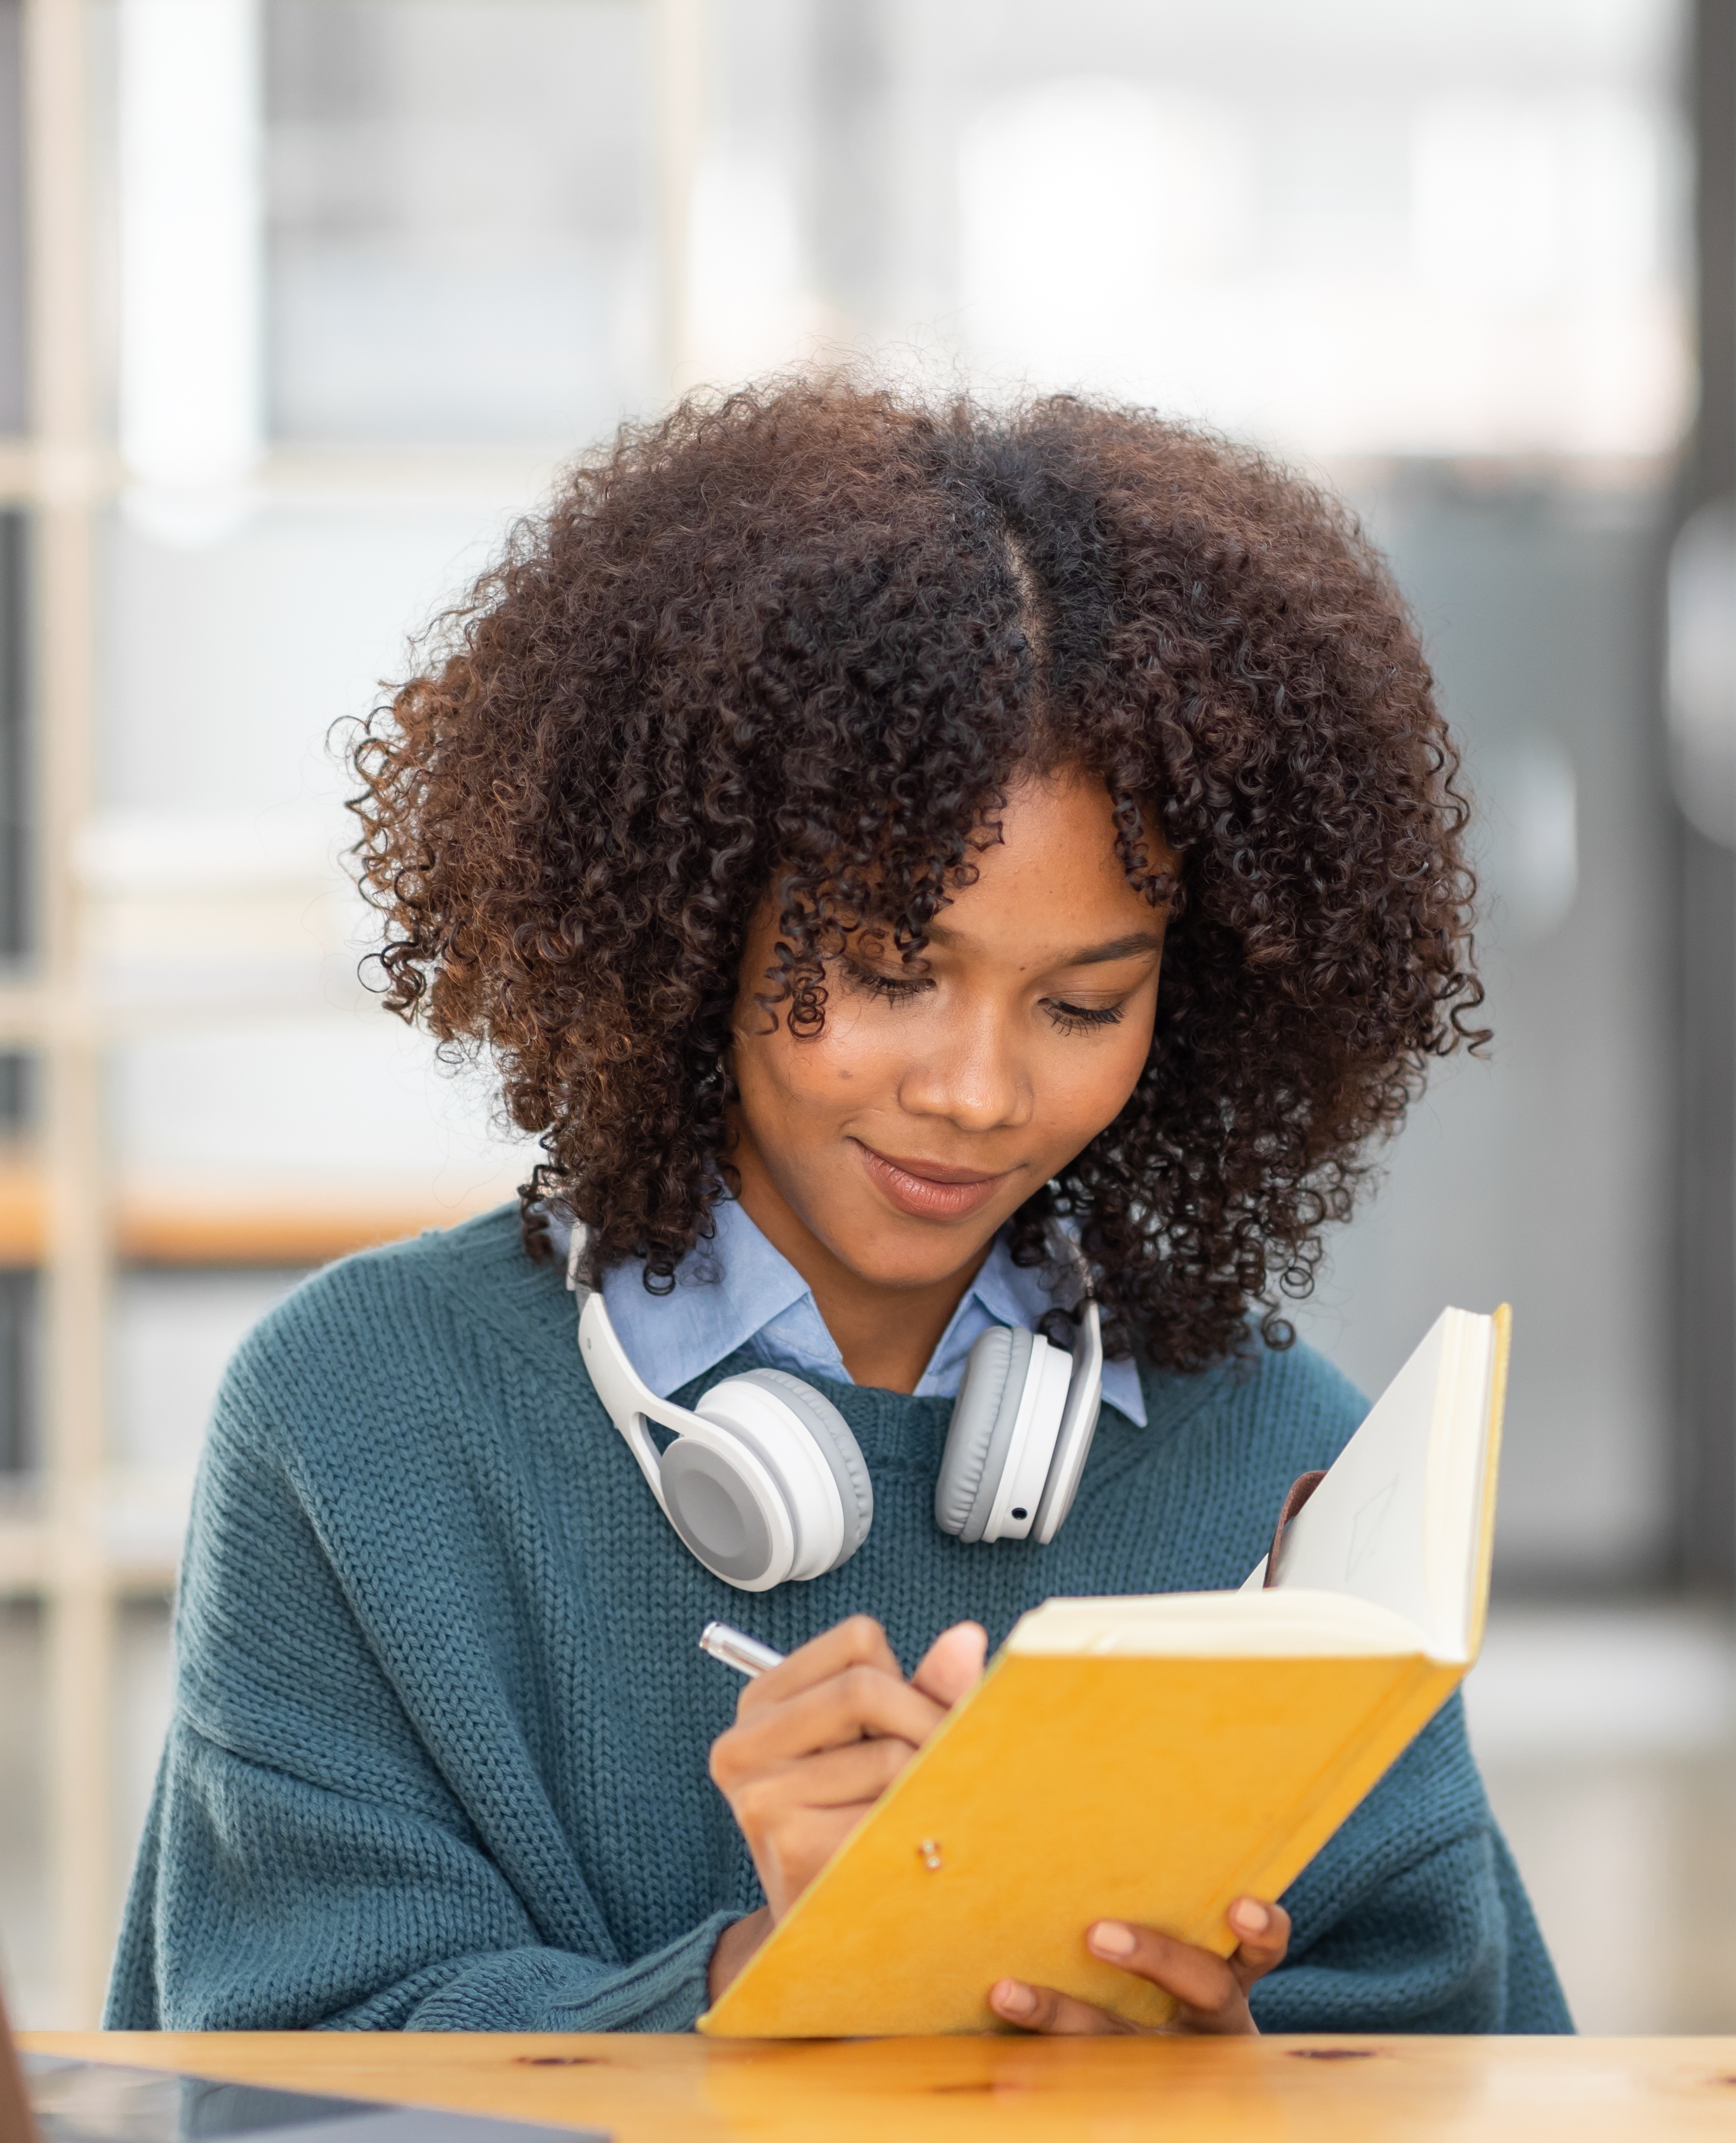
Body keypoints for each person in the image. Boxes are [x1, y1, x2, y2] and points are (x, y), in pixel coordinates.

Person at [105, 377, 1569, 2036]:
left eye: (1082, 1004)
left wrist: (1216, 2085)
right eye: (888, 969)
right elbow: (277, 2073)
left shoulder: (1281, 1471)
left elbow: (1470, 2105)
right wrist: (764, 1984)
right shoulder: (361, 1423)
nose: (978, 1090)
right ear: (693, 911)